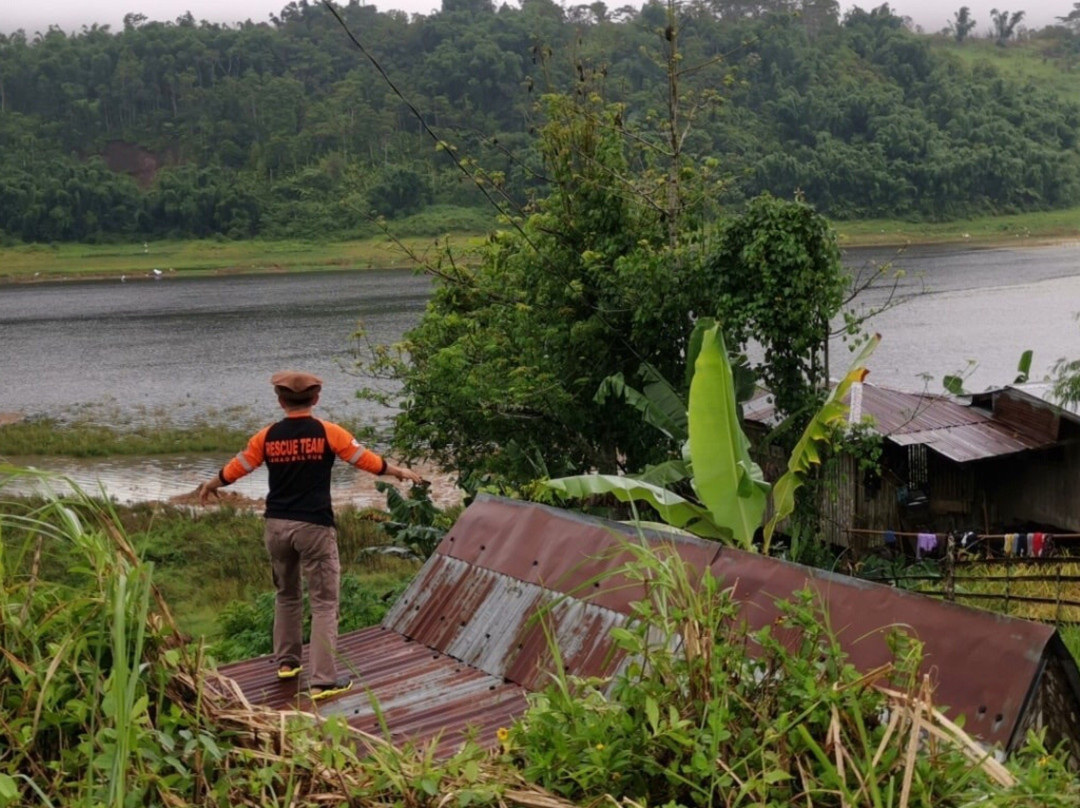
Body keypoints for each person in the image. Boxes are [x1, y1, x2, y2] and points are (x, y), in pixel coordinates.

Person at [197, 370, 424, 701]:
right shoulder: (328, 432)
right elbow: (365, 460)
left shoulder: (267, 436)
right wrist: (398, 471)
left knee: (286, 595)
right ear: (315, 398)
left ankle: (287, 663)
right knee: (324, 603)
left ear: (280, 400)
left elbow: (238, 467)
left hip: (276, 526)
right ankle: (322, 682)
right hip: (314, 526)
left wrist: (211, 483)